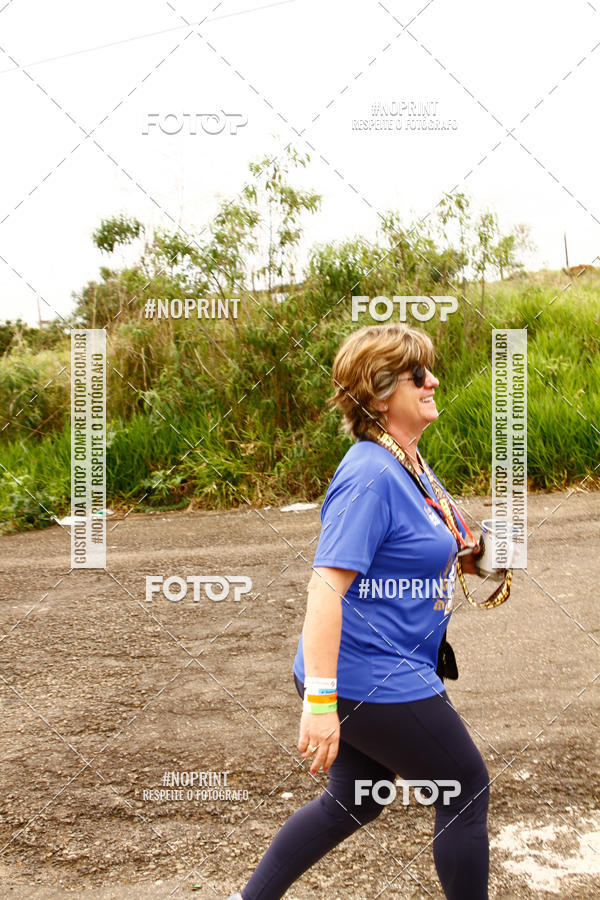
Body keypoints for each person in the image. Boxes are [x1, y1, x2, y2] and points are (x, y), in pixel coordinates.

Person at [229, 323, 489, 900]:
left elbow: (421, 545)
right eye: (417, 374)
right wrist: (320, 705)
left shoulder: (408, 462)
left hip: (375, 670)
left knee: (353, 800)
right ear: (380, 393)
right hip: (371, 677)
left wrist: (477, 557)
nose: (432, 380)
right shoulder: (370, 474)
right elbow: (325, 588)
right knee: (464, 789)